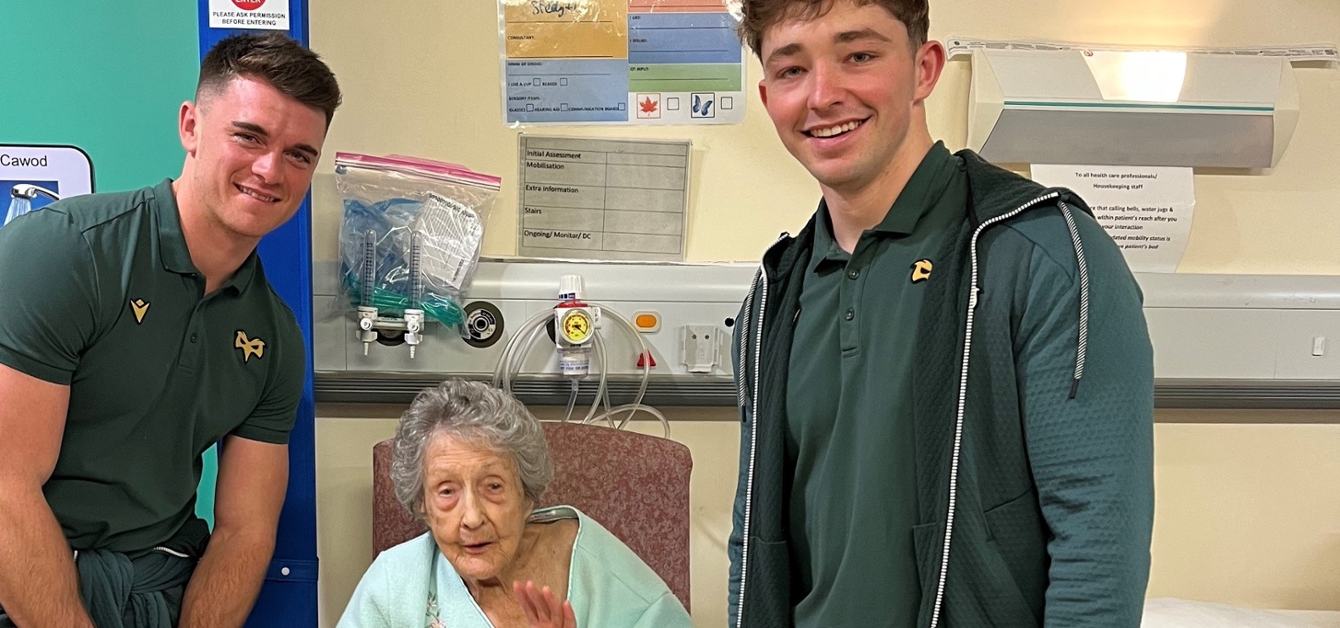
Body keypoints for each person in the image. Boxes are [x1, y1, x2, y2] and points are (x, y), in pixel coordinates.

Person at [725, 1, 1155, 627]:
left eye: (859, 56)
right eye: (792, 71)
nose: (823, 95)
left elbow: (1098, 539)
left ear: (924, 69)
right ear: (769, 100)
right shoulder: (774, 296)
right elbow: (752, 539)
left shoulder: (1044, 256)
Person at [0, 32, 340, 627]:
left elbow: (245, 531)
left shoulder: (273, 334)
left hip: (152, 584)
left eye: (299, 154)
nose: (270, 170)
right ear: (191, 126)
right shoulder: (63, 254)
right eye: (249, 136)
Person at [338, 379, 692, 628]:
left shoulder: (598, 572)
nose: (472, 517)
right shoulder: (394, 583)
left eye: (493, 486)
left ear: (527, 496)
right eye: (446, 491)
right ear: (422, 506)